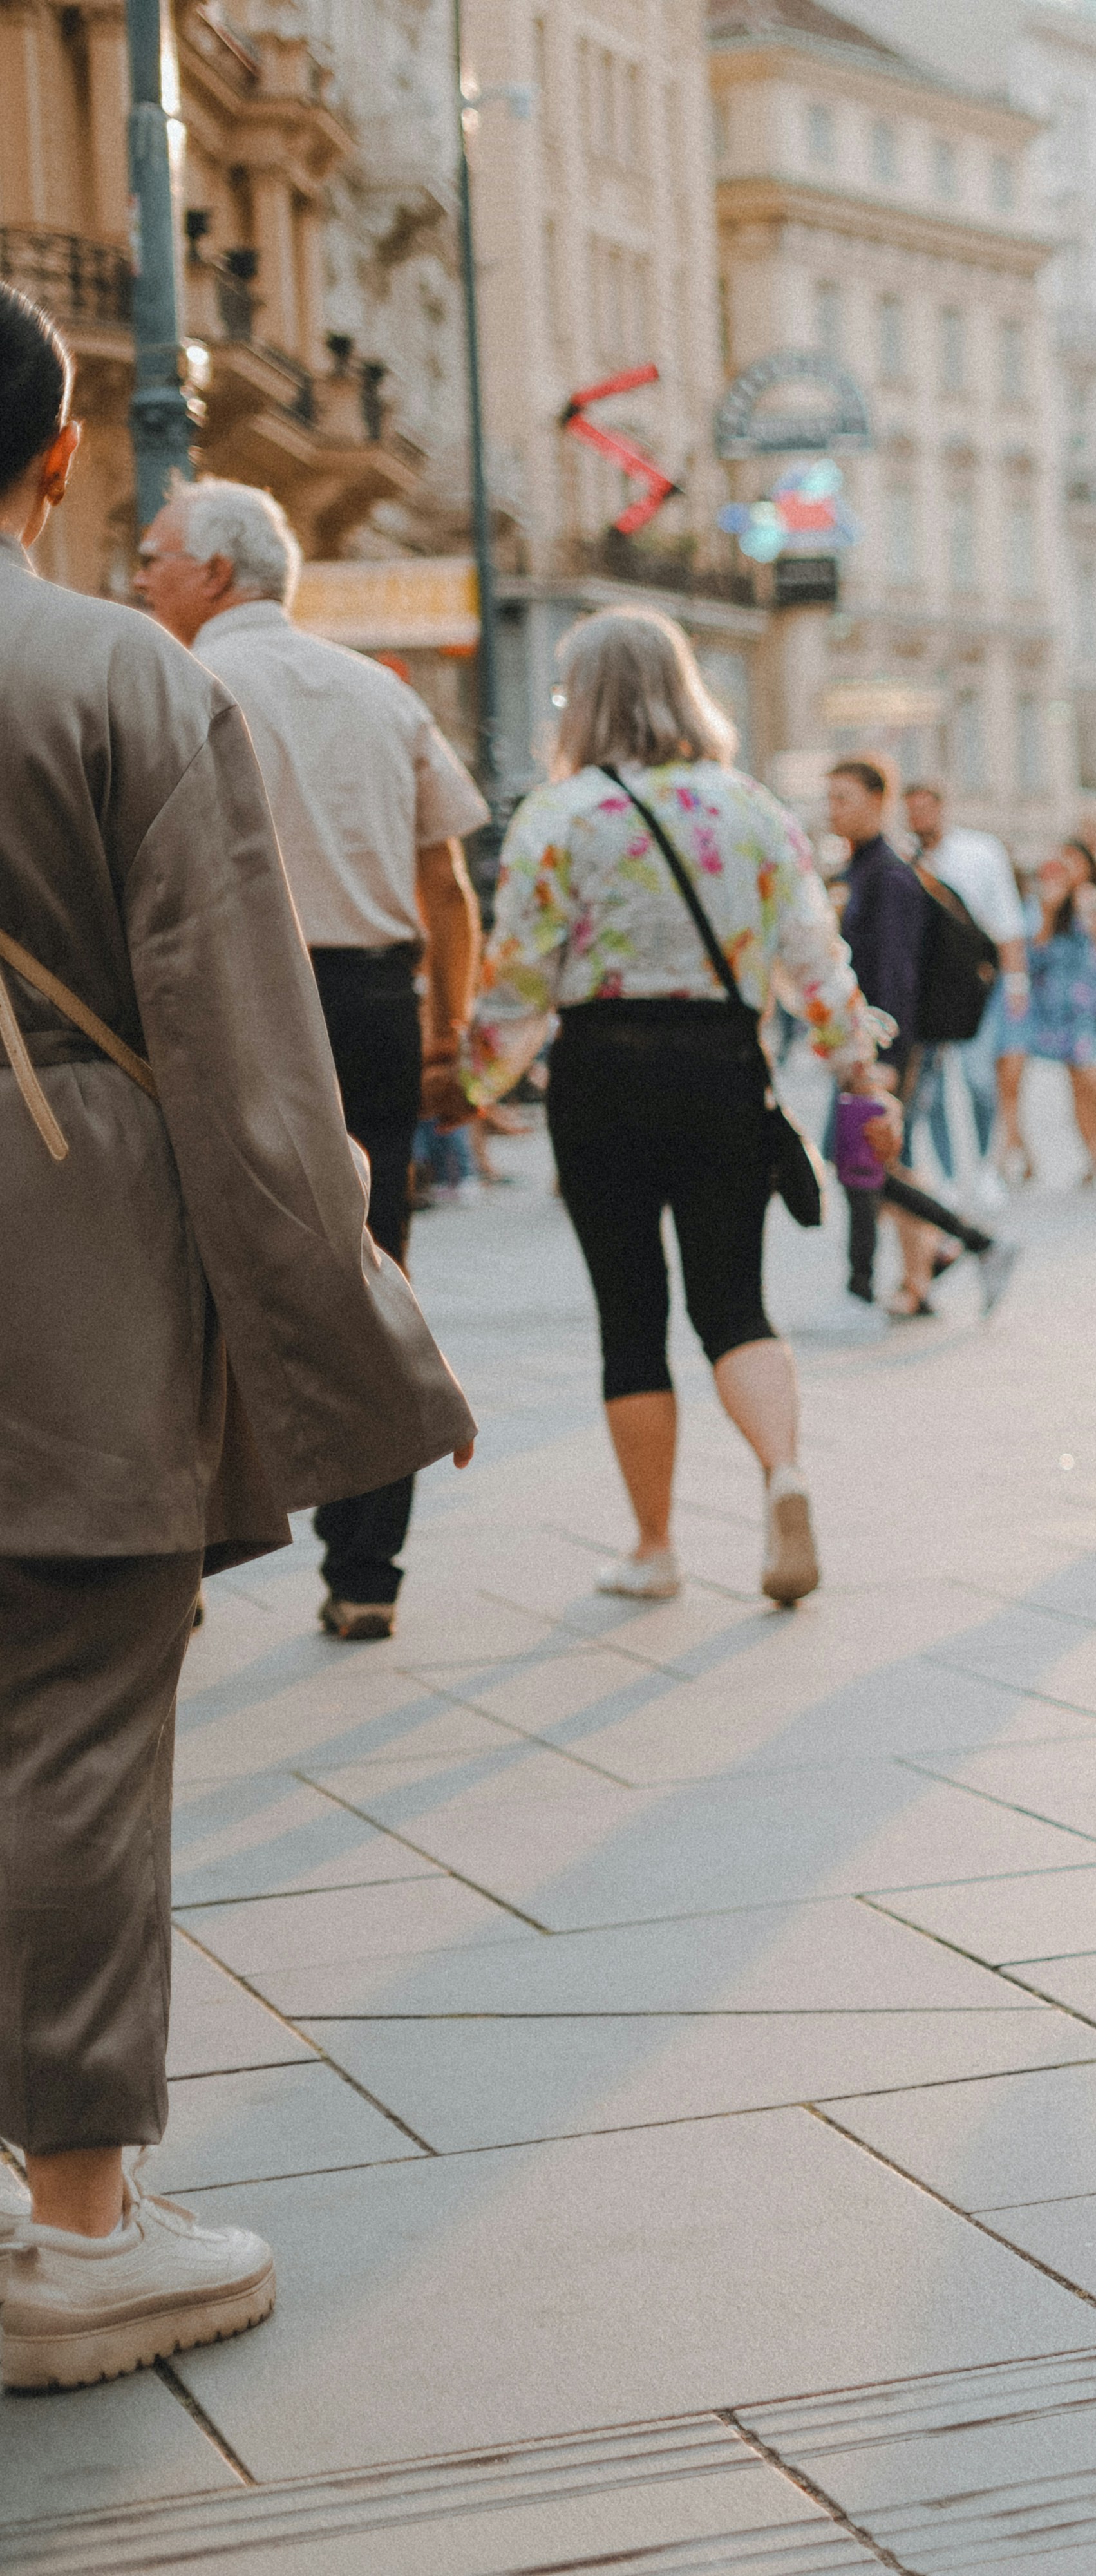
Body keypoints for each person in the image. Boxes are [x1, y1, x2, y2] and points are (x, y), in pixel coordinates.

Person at [0, 286, 475, 2392]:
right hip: (63, 1260)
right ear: (56, 466)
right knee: (79, 1729)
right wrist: (363, 1342)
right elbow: (251, 1067)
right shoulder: (120, 673)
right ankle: (79, 2230)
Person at [464, 612, 888, 1596]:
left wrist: (475, 1082)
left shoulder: (558, 818)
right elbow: (817, 966)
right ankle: (782, 1473)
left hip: (602, 1079)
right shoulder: (752, 811)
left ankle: (655, 1549)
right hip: (725, 1071)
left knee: (631, 1315)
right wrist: (855, 1067)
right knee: (734, 1301)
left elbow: (518, 978)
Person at [139, 478, 488, 1644]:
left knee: (187, 1273)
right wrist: (449, 1031)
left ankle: (177, 1556)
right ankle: (367, 1572)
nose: (141, 578)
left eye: (156, 558)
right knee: (366, 1262)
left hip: (232, 1001)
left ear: (218, 576)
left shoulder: (179, 685)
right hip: (376, 1002)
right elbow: (447, 884)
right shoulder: (380, 694)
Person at [827, 759, 1010, 1321]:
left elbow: (895, 974)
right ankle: (924, 1274)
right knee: (879, 1161)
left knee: (864, 1158)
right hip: (870, 1043)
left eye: (844, 798)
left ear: (879, 801)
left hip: (887, 1046)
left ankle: (970, 1245)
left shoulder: (888, 876)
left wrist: (882, 1056)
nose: (833, 809)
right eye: (829, 798)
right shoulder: (861, 870)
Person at [900, 782, 1029, 1193]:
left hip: (976, 985)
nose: (920, 818)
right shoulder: (904, 860)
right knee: (932, 1092)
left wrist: (1016, 981)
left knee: (979, 1080)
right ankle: (952, 1175)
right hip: (926, 990)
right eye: (912, 811)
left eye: (926, 809)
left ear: (941, 808)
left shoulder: (980, 852)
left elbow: (1006, 920)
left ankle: (987, 1165)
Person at [1017, 841, 1096, 1184]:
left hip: (1095, 1007)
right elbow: (1034, 957)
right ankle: (1094, 1157)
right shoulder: (1049, 905)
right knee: (1077, 1085)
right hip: (1062, 1009)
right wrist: (1050, 913)